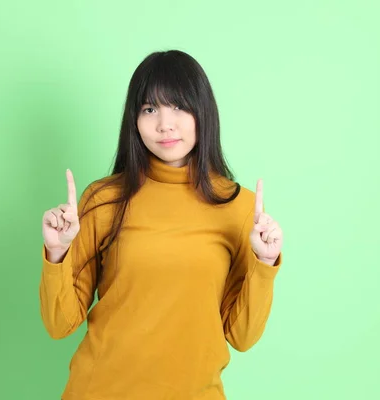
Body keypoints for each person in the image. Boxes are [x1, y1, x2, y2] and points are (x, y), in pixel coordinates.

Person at [39, 50, 284, 399]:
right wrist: (57, 251)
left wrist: (264, 264)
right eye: (150, 109)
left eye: (179, 107)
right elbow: (60, 323)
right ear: (134, 120)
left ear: (203, 112)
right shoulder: (104, 199)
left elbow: (241, 336)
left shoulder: (238, 208)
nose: (164, 124)